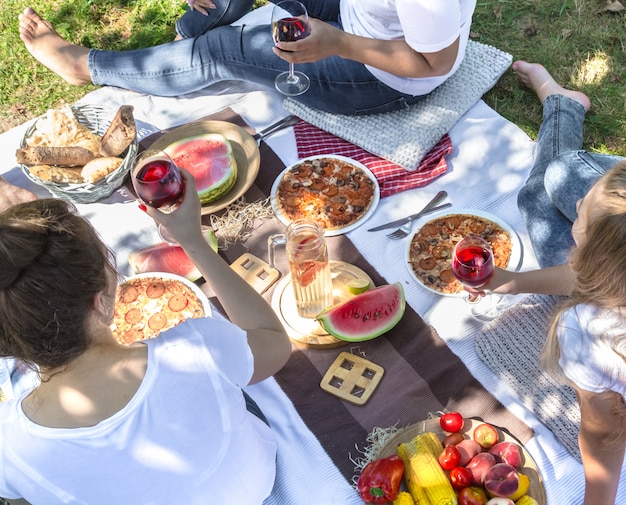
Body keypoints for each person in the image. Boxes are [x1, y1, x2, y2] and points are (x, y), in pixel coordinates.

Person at [0, 169, 292, 504]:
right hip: (255, 489)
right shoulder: (195, 349)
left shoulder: (9, 447)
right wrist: (194, 242)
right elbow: (273, 342)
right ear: (101, 301)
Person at [478, 61, 626, 505]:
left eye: (583, 211)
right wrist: (514, 282)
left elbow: (604, 437)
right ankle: (561, 106)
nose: (579, 203)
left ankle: (562, 107)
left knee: (550, 186)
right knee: (556, 182)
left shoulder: (589, 332)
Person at [17, 0, 477, 116]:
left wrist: (337, 43)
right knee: (212, 33)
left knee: (221, 53)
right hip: (359, 15)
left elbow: (431, 63)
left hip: (385, 74)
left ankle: (85, 66)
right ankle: (200, 23)